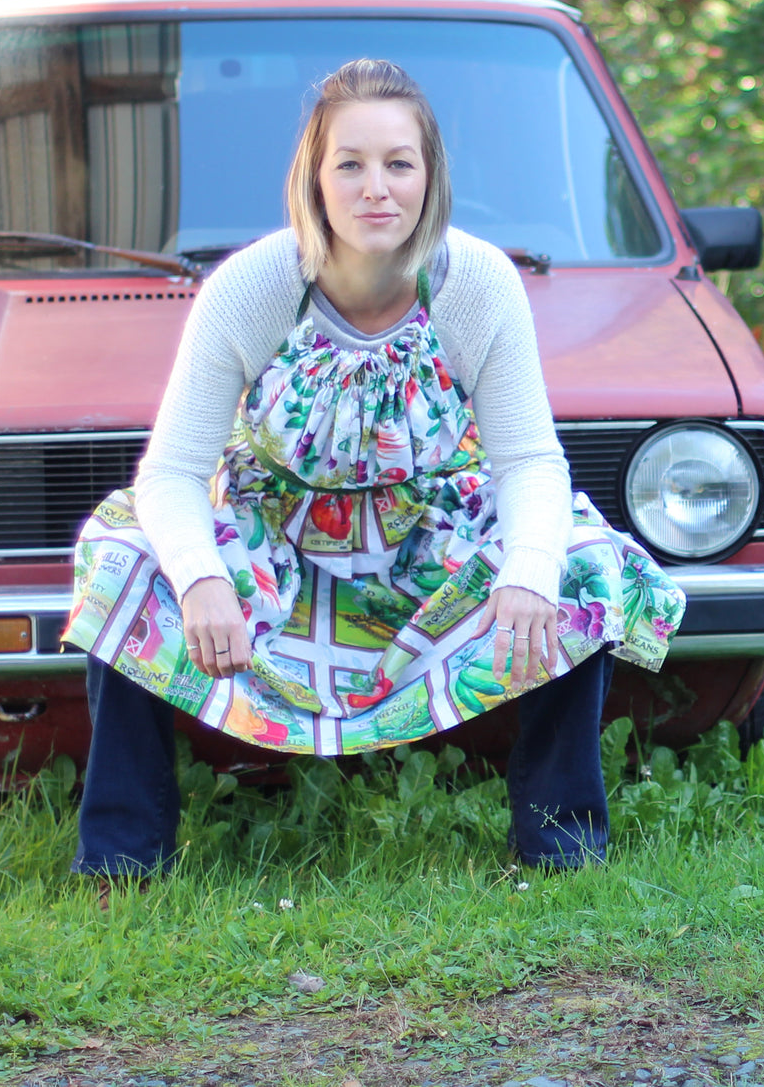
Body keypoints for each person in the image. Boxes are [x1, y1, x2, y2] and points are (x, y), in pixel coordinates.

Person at [63, 58, 685, 889]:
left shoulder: (475, 284)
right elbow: (170, 473)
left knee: (576, 561)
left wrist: (528, 575)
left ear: (430, 175)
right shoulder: (252, 287)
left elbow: (529, 461)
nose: (375, 188)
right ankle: (121, 860)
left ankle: (559, 846)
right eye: (348, 164)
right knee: (126, 563)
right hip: (276, 545)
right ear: (312, 180)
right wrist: (203, 578)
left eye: (398, 163)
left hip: (423, 540)